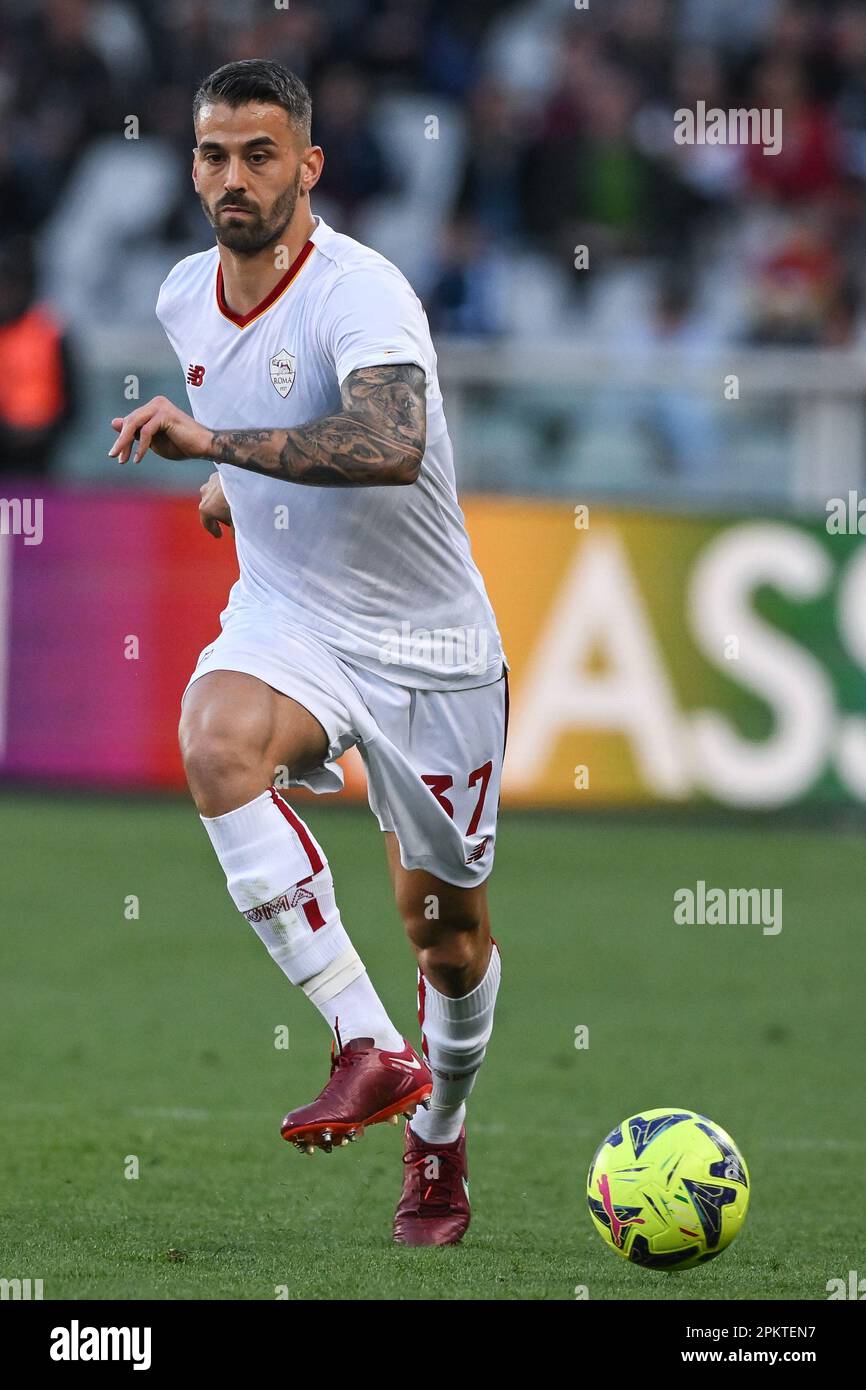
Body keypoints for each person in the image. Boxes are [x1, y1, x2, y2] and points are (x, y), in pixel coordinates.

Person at [109, 59, 507, 1247]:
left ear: (309, 167)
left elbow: (387, 442)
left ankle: (438, 1131)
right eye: (215, 155)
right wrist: (236, 490)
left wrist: (216, 445)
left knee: (446, 934)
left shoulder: (363, 292)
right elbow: (262, 427)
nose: (235, 177)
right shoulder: (186, 295)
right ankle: (361, 1042)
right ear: (192, 167)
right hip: (292, 623)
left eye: (261, 155)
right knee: (215, 742)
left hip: (429, 650)